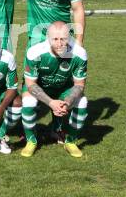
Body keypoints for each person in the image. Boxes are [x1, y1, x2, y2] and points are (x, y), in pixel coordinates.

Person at [21, 21, 88, 158]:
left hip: (64, 88)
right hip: (39, 87)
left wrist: (68, 101)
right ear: (48, 38)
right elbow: (30, 84)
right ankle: (31, 140)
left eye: (63, 39)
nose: (59, 43)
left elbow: (79, 84)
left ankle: (70, 141)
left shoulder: (79, 53)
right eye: (55, 39)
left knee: (82, 102)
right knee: (28, 101)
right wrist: (51, 103)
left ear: (69, 37)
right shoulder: (35, 52)